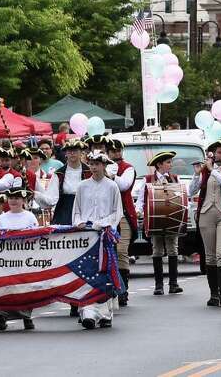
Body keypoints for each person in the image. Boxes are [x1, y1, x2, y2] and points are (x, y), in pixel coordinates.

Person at [71, 152, 123, 330]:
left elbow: (117, 212)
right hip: (86, 235)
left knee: (103, 272)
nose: (93, 167)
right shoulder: (82, 186)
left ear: (103, 165)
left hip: (102, 234)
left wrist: (103, 224)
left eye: (97, 164)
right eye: (91, 163)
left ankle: (105, 313)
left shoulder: (111, 186)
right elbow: (76, 210)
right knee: (86, 272)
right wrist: (79, 223)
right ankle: (87, 311)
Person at [0, 187, 39, 332]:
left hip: (26, 260)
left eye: (17, 198)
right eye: (11, 198)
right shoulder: (3, 217)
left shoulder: (29, 217)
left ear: (23, 200)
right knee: (8, 289)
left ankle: (25, 317)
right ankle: (2, 316)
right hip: (7, 260)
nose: (13, 200)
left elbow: (36, 238)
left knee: (25, 289)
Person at [190, 140, 221, 307]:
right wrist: (197, 174)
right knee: (209, 255)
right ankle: (214, 294)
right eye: (219, 152)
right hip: (206, 214)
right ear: (214, 154)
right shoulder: (206, 171)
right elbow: (191, 191)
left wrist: (211, 170)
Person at [140, 151, 183, 296]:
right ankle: (158, 285)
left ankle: (173, 284)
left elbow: (181, 197)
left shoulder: (175, 178)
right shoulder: (147, 179)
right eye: (168, 162)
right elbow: (141, 199)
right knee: (157, 250)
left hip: (171, 219)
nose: (171, 165)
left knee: (173, 249)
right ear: (159, 164)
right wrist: (140, 211)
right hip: (155, 219)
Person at [105, 138, 137, 306]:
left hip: (123, 215)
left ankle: (123, 292)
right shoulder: (100, 166)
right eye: (113, 151)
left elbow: (124, 185)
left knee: (121, 251)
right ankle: (109, 289)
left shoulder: (128, 168)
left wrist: (111, 175)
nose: (116, 154)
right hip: (106, 215)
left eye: (119, 151)